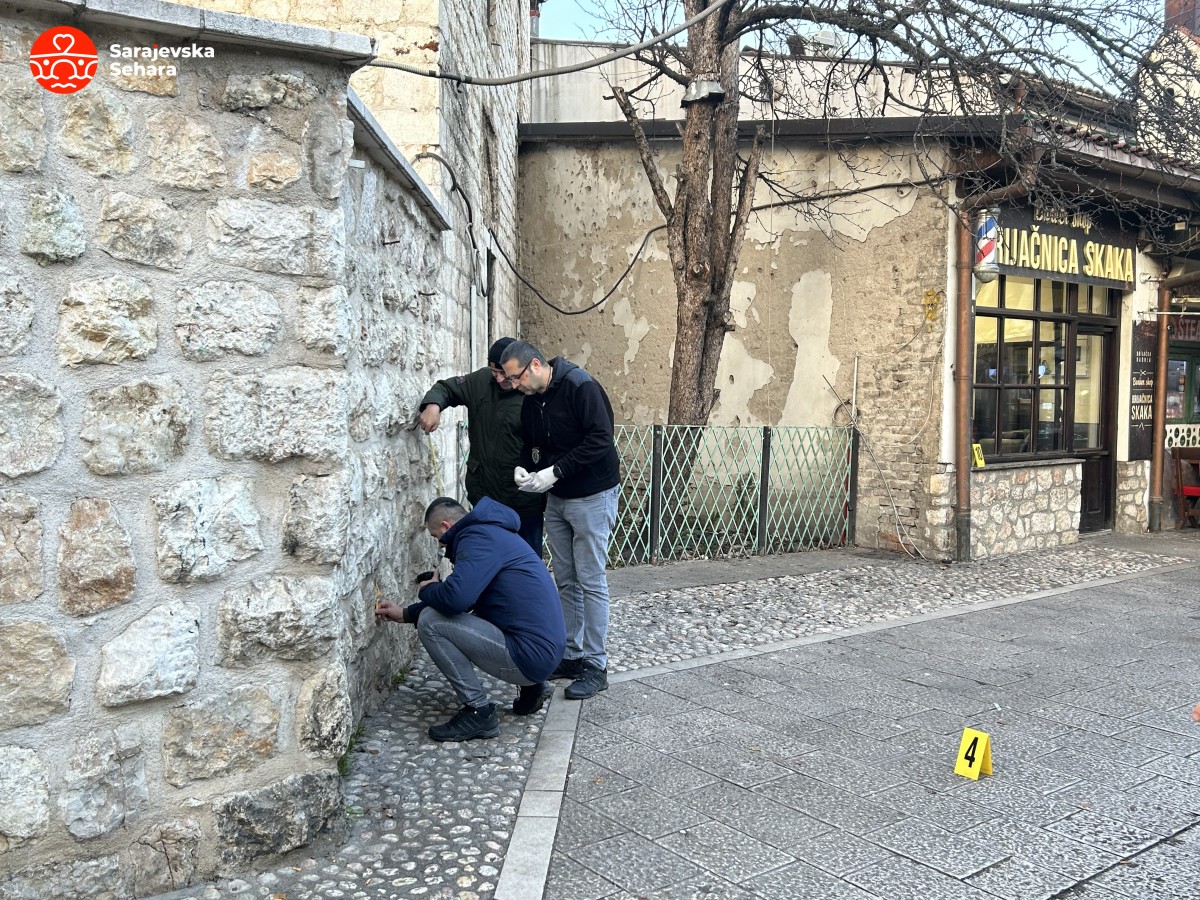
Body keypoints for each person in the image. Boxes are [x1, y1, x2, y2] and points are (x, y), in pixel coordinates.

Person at [375, 496, 566, 742]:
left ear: (445, 526)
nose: (440, 545)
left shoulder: (477, 539)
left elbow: (456, 600)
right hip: (543, 652)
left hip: (530, 657)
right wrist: (406, 613)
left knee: (431, 622)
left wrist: (427, 589)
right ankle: (533, 688)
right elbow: (469, 600)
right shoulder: (493, 533)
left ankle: (478, 712)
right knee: (462, 613)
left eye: (436, 538)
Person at [498, 340, 620, 701]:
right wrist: (524, 467)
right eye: (509, 380)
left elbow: (601, 439)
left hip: (593, 494)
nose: (513, 385)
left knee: (591, 580)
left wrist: (555, 471)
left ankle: (596, 665)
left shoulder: (581, 386)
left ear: (535, 365)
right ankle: (572, 655)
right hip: (558, 498)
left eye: (516, 377)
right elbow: (531, 443)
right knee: (565, 579)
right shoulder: (532, 399)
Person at [418, 337, 545, 554]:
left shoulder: (532, 392)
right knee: (487, 557)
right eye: (494, 372)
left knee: (524, 559)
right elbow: (447, 388)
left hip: (522, 502)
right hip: (484, 498)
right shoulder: (481, 382)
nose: (499, 379)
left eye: (504, 374)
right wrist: (433, 405)